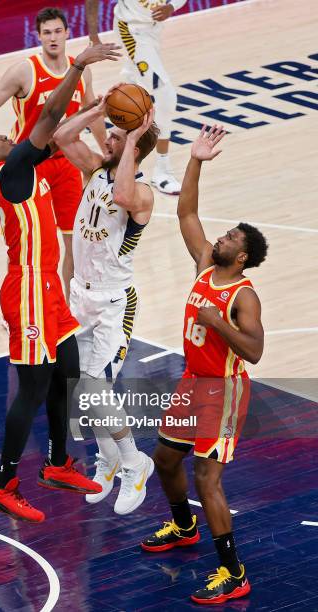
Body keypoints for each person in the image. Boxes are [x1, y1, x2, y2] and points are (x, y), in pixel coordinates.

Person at [0, 42, 120, 523]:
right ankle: (2, 483)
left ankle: (56, 462)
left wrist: (96, 108)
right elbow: (49, 112)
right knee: (32, 388)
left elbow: (59, 130)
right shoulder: (11, 171)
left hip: (48, 284)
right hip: (26, 288)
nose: (2, 138)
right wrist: (78, 66)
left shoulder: (23, 164)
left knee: (66, 371)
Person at [140, 125, 268, 603]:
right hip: (193, 382)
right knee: (165, 459)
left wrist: (218, 324)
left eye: (231, 237)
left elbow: (253, 352)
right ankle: (182, 524)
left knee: (206, 477)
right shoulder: (203, 266)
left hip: (224, 388)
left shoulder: (243, 295)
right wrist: (194, 161)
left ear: (244, 256)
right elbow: (187, 211)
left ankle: (234, 573)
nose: (221, 236)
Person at [53, 92, 159, 514]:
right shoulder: (95, 169)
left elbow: (121, 192)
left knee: (95, 385)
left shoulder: (143, 194)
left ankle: (135, 462)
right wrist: (99, 110)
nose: (106, 138)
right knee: (82, 391)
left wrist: (132, 137)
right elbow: (62, 135)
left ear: (132, 145)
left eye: (113, 135)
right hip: (81, 293)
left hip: (115, 302)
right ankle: (110, 460)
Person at [0, 7, 108, 298]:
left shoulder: (83, 72)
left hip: (67, 163)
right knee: (25, 243)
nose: (53, 38)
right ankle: (18, 297)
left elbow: (92, 113)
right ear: (38, 36)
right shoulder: (25, 70)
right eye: (47, 33)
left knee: (72, 241)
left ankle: (68, 303)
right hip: (29, 164)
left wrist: (105, 153)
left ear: (67, 33)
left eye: (58, 31)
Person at [85, 0, 187, 195]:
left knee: (132, 95)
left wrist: (172, 6)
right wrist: (93, 35)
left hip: (153, 31)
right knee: (165, 96)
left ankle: (113, 152)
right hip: (131, 29)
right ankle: (162, 171)